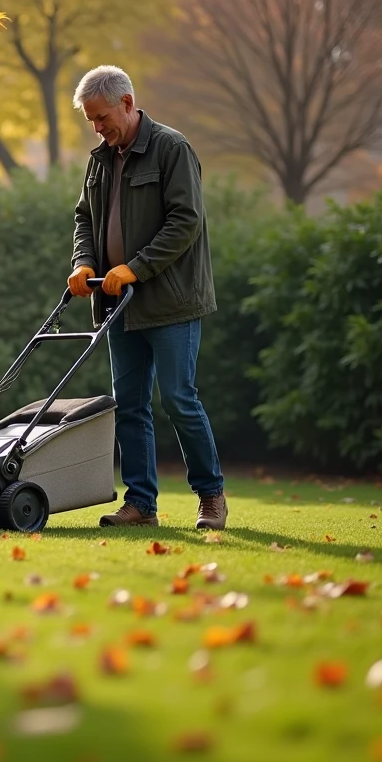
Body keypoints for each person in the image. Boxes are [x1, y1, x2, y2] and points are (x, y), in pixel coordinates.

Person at [67, 64, 227, 530]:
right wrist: (83, 263)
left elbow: (185, 222)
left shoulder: (171, 148)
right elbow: (84, 219)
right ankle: (141, 505)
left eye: (102, 117)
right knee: (130, 405)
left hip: (171, 302)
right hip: (118, 304)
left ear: (127, 103)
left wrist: (135, 268)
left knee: (178, 398)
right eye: (90, 121)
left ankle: (211, 497)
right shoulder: (99, 159)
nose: (97, 128)